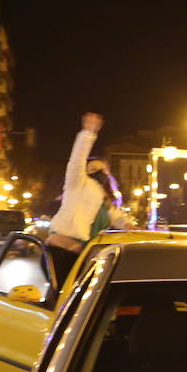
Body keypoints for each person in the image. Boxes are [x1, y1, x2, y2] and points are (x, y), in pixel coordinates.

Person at [46, 112, 129, 286]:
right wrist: (88, 133)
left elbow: (119, 218)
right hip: (59, 253)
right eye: (92, 169)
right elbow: (76, 160)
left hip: (82, 256)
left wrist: (131, 226)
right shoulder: (77, 183)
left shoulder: (105, 200)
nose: (98, 172)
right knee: (64, 304)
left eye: (102, 169)